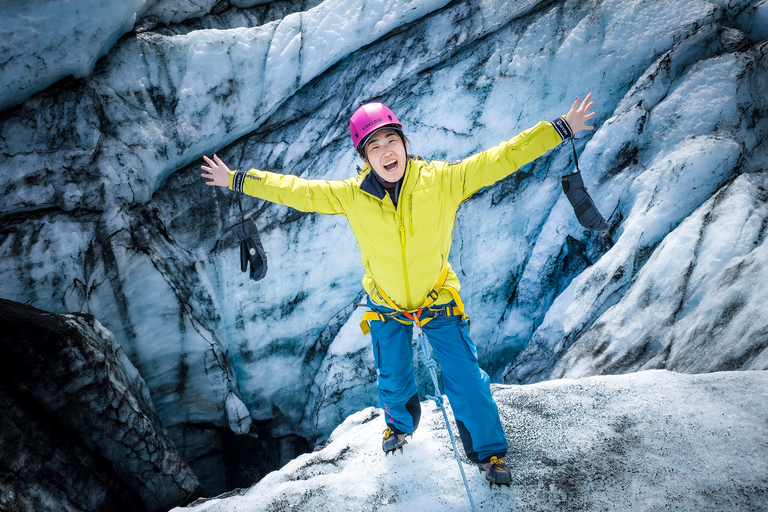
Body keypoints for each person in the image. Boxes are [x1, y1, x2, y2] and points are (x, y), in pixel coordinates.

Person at [201, 95, 596, 485]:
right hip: (386, 304)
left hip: (437, 299)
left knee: (467, 379)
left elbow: (501, 157)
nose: (386, 151)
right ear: (364, 158)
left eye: (391, 140)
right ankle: (399, 426)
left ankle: (488, 452)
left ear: (405, 144)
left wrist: (559, 129)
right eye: (374, 146)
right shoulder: (351, 197)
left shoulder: (443, 181)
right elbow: (295, 190)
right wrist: (236, 179)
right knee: (392, 375)